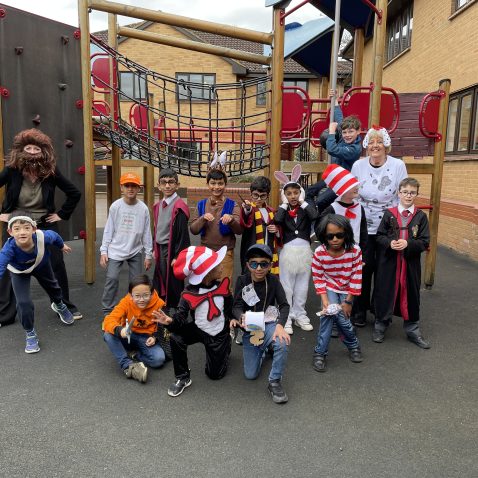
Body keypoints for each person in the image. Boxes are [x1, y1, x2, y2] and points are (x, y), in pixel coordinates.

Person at [0, 129, 82, 325]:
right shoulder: (12, 170)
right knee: (10, 265)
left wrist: (61, 214)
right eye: (28, 147)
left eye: (36, 148)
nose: (32, 152)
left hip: (44, 223)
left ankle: (63, 304)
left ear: (43, 151)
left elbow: (74, 192)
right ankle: (4, 313)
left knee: (56, 264)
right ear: (21, 150)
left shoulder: (50, 172)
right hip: (17, 224)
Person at [153, 245, 232, 397]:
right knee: (176, 336)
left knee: (214, 375)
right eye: (217, 265)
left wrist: (233, 321)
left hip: (218, 331)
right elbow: (181, 317)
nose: (222, 267)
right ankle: (182, 377)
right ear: (207, 273)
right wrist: (170, 321)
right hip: (199, 328)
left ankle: (225, 345)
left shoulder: (223, 287)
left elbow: (229, 308)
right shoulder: (189, 292)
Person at [350, 126, 408, 327]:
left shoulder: (398, 165)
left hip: (388, 226)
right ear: (367, 145)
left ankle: (381, 313)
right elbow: (352, 193)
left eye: (379, 142)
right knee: (363, 269)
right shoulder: (358, 165)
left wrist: (403, 226)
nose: (375, 146)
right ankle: (359, 311)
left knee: (385, 272)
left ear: (386, 145)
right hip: (363, 225)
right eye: (371, 142)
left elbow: (402, 194)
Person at [0, 216, 74, 353]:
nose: (22, 232)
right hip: (19, 272)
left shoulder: (43, 236)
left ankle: (59, 305)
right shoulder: (8, 249)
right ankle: (30, 333)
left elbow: (55, 236)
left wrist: (62, 245)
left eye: (26, 228)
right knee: (23, 303)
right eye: (17, 229)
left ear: (34, 229)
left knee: (55, 288)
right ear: (10, 232)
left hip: (41, 265)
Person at [373, 178, 431, 348]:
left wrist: (408, 244)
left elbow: (425, 241)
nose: (408, 195)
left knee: (411, 293)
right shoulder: (389, 213)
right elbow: (379, 236)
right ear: (399, 193)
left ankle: (412, 328)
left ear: (417, 194)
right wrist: (390, 243)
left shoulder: (421, 216)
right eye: (405, 192)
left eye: (412, 192)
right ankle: (380, 324)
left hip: (410, 263)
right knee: (384, 291)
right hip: (389, 262)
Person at [231, 244, 290, 404]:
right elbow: (236, 305)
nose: (259, 268)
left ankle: (275, 382)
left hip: (269, 323)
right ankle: (265, 350)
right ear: (248, 265)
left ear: (270, 265)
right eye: (254, 264)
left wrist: (280, 325)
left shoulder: (273, 281)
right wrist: (240, 316)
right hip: (251, 327)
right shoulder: (242, 280)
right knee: (250, 375)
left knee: (282, 342)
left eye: (263, 264)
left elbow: (284, 305)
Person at [318, 164, 368, 338]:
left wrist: (365, 255)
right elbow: (321, 228)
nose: (357, 188)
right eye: (352, 186)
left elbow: (363, 232)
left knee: (352, 288)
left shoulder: (359, 207)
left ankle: (348, 319)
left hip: (354, 255)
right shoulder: (332, 208)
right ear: (343, 190)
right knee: (334, 289)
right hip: (336, 256)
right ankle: (333, 321)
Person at [311, 214, 363, 372]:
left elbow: (356, 276)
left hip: (348, 288)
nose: (335, 239)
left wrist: (348, 302)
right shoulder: (319, 253)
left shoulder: (355, 251)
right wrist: (324, 299)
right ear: (323, 236)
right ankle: (320, 353)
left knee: (342, 318)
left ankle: (353, 344)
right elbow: (318, 277)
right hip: (330, 287)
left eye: (339, 235)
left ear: (346, 233)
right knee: (328, 316)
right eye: (330, 236)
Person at [99, 172, 153, 317]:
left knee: (136, 282)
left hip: (135, 250)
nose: (130, 189)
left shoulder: (143, 209)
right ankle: (108, 311)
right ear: (121, 187)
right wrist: (104, 251)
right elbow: (109, 230)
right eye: (127, 186)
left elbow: (147, 233)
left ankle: (134, 309)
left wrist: (148, 254)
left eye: (134, 186)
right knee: (112, 278)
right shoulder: (116, 207)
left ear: (139, 188)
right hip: (116, 249)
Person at [274, 164, 317, 334]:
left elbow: (315, 216)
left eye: (295, 192)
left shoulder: (306, 209)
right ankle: (287, 315)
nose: (293, 196)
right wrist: (284, 205)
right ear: (284, 195)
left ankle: (300, 314)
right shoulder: (283, 211)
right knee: (287, 285)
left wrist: (303, 202)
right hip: (288, 251)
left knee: (302, 285)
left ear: (301, 193)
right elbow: (277, 220)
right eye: (289, 193)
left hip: (304, 251)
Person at [189, 154, 242, 287]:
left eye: (220, 183)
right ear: (208, 184)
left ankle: (226, 308)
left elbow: (239, 230)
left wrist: (231, 221)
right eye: (213, 183)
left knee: (224, 286)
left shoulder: (232, 204)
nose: (216, 187)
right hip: (206, 252)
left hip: (226, 252)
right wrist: (202, 219)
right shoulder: (201, 204)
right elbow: (193, 230)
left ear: (225, 184)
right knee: (206, 284)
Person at [102, 275, 166, 383]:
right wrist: (120, 330)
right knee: (108, 334)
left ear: (152, 293)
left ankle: (134, 354)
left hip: (146, 338)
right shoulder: (126, 302)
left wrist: (155, 337)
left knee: (158, 360)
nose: (141, 300)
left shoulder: (159, 304)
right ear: (131, 296)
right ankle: (128, 366)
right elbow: (108, 320)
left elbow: (163, 326)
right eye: (137, 296)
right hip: (128, 335)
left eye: (146, 295)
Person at [152, 168, 190, 315]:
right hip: (160, 247)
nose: (167, 186)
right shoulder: (158, 206)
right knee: (161, 276)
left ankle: (177, 311)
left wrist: (177, 256)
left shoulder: (179, 207)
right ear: (159, 185)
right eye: (164, 182)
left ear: (177, 185)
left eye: (171, 182)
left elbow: (182, 235)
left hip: (172, 249)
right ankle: (163, 305)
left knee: (173, 280)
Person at [239, 176, 280, 275]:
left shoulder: (271, 212)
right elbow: (245, 221)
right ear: (250, 193)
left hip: (268, 250)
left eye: (262, 196)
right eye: (255, 195)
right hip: (252, 251)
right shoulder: (250, 209)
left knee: (268, 280)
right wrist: (246, 210)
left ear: (268, 195)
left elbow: (279, 231)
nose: (258, 199)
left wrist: (277, 230)